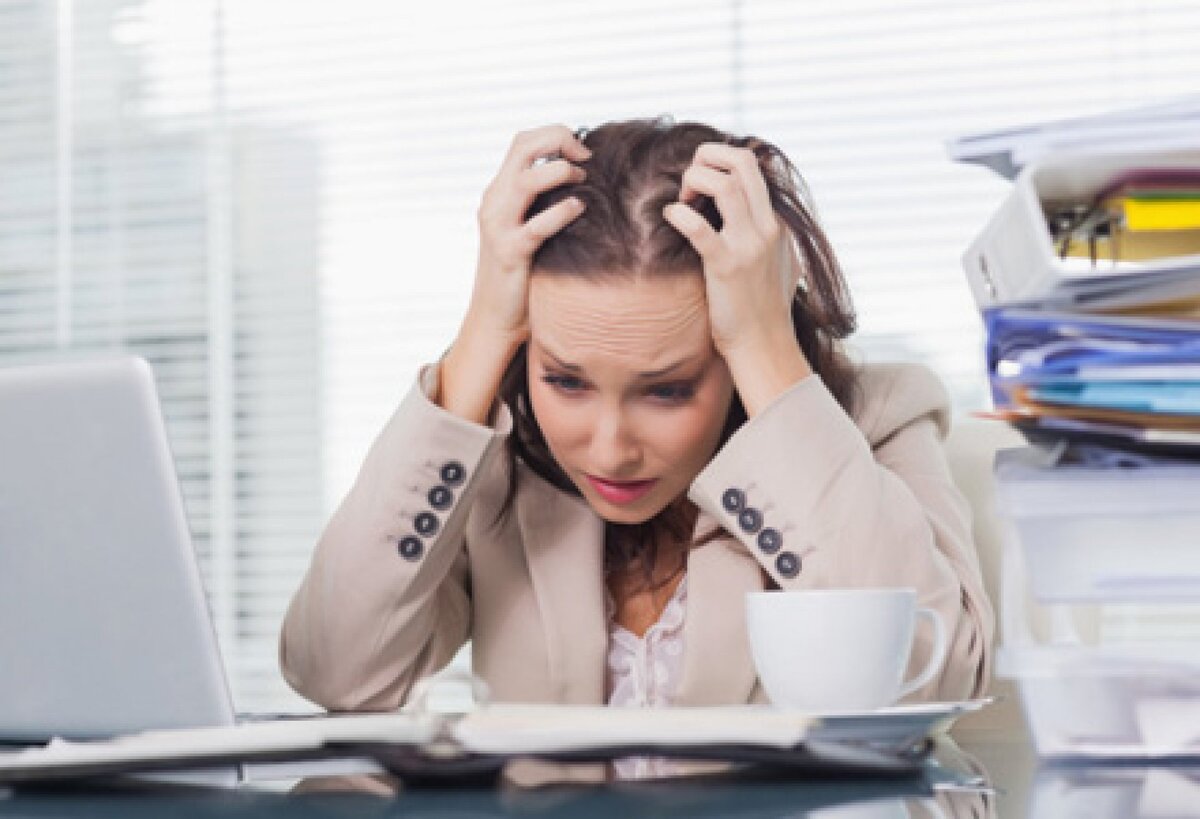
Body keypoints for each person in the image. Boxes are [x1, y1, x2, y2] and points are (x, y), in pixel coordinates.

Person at [279, 118, 995, 729]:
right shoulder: (494, 460)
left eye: (669, 390)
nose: (610, 449)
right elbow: (336, 669)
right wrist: (483, 330)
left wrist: (765, 346)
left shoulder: (878, 420)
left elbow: (932, 683)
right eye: (566, 381)